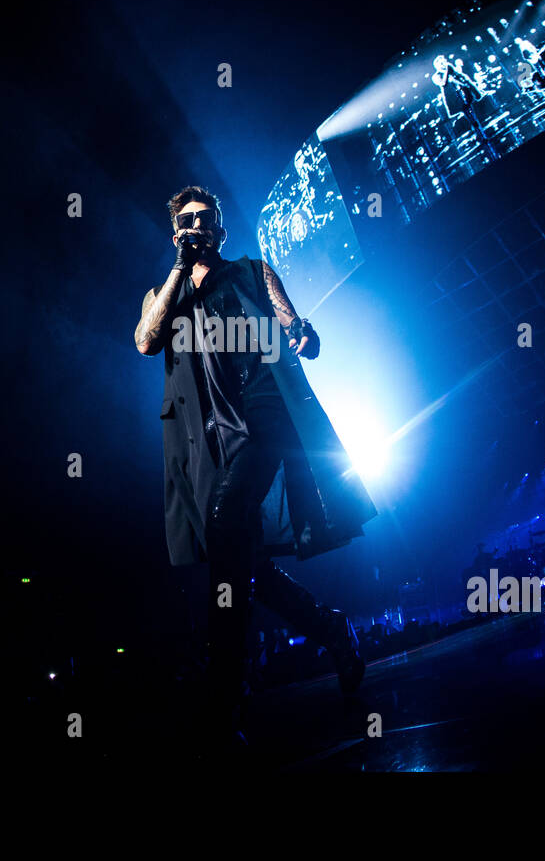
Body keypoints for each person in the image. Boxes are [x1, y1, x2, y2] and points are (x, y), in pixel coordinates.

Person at [134, 186, 378, 748]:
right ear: (175, 230)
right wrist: (178, 268)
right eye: (186, 220)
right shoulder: (163, 294)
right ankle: (330, 628)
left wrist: (302, 333)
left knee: (226, 532)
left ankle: (225, 701)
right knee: (238, 559)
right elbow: (147, 341)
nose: (196, 226)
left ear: (219, 228)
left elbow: (296, 326)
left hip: (267, 413)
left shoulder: (253, 271)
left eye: (205, 219)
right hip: (213, 441)